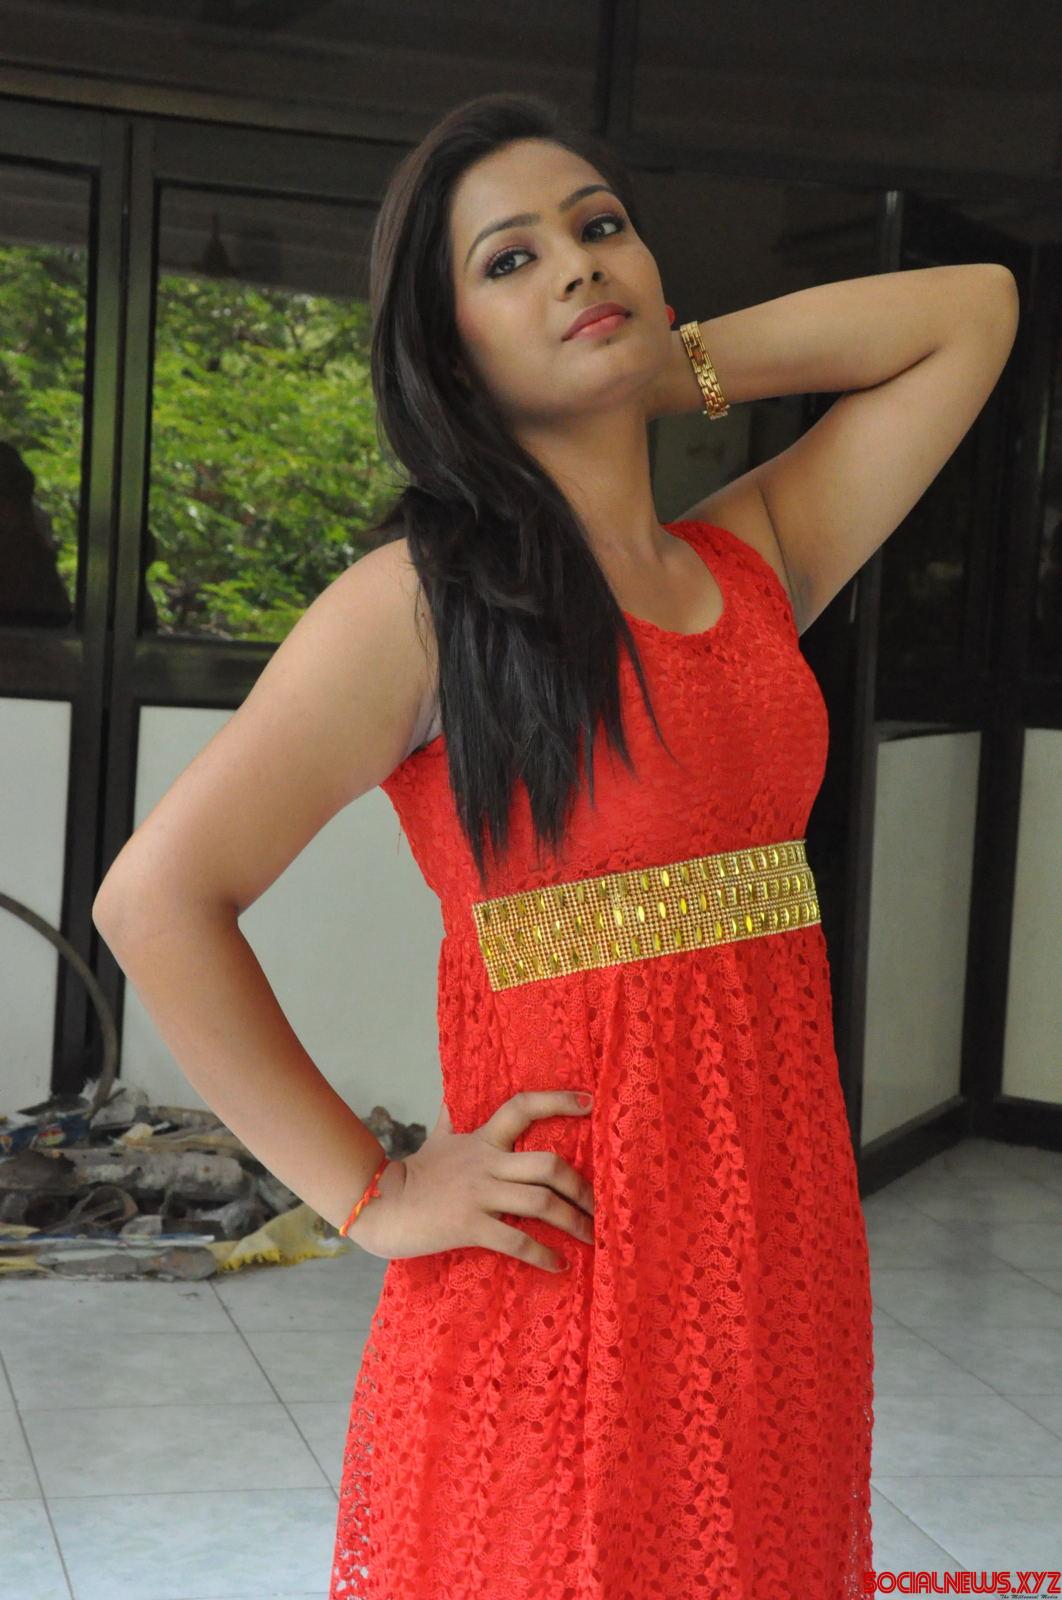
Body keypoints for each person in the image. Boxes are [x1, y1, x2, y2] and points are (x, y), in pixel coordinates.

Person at [98, 87, 1019, 1600]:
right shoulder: (419, 609)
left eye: (601, 229)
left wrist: (675, 365)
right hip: (564, 1271)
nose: (579, 265)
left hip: (776, 1252)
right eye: (509, 260)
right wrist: (374, 1194)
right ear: (448, 348)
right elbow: (157, 900)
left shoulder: (756, 558)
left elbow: (970, 310)